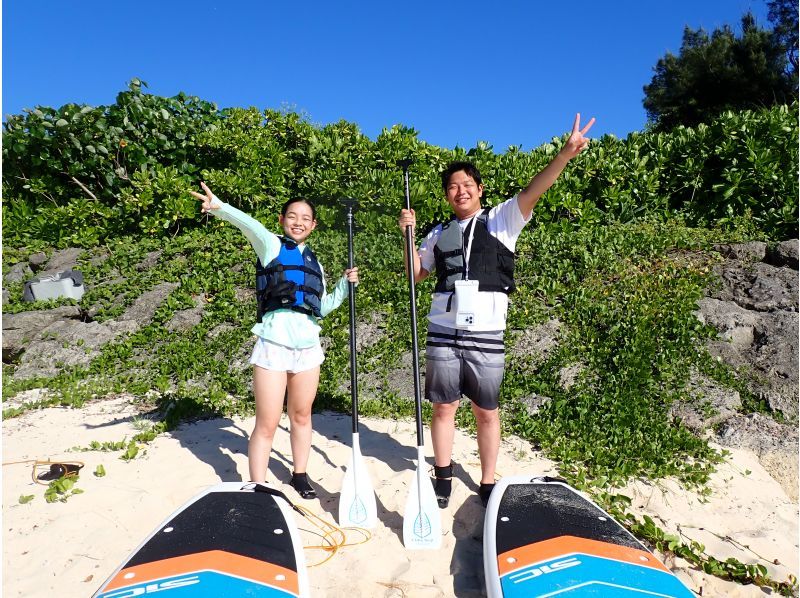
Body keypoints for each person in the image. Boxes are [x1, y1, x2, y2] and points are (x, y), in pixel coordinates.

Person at [398, 114, 595, 508]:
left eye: (466, 185)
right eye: (452, 187)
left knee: (486, 411)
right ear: (446, 196)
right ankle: (443, 473)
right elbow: (415, 274)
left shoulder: (504, 219)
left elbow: (536, 189)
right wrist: (407, 234)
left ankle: (488, 481)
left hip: (486, 333)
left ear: (479, 190)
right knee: (443, 406)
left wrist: (566, 154)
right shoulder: (437, 232)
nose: (460, 191)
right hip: (443, 330)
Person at [191, 182, 358, 499]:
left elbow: (320, 307)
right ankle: (258, 484)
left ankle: (299, 474)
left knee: (302, 416)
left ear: (313, 225)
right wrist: (220, 207)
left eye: (305, 218)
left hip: (308, 348)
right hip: (273, 345)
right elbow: (250, 225)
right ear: (282, 220)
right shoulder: (270, 246)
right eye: (292, 216)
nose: (299, 221)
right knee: (267, 422)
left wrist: (344, 287)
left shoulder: (315, 264)